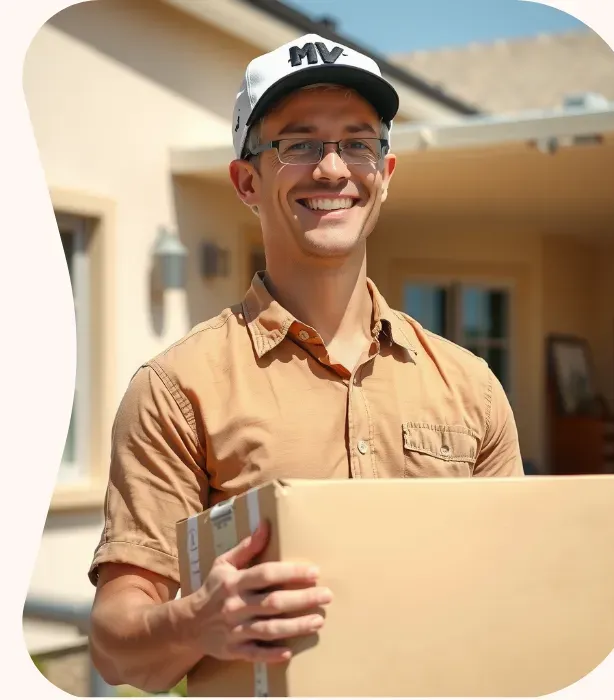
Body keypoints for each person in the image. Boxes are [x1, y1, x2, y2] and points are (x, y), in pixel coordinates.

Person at [87, 33, 524, 693]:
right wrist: (198, 624)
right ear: (246, 181)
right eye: (298, 144)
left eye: (358, 142)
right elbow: (116, 645)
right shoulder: (175, 391)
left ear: (386, 174)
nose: (331, 169)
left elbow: (518, 587)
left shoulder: (473, 388)